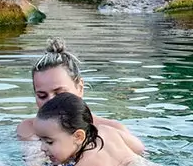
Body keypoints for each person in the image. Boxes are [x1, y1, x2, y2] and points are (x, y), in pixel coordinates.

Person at [17, 39, 146, 156]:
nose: (52, 102)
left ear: (80, 87)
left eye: (59, 93)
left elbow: (140, 160)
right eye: (42, 95)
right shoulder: (29, 129)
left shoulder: (114, 130)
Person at [31, 93, 149, 166]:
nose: (42, 148)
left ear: (78, 137)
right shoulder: (106, 130)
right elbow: (140, 148)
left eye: (49, 142)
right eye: (40, 140)